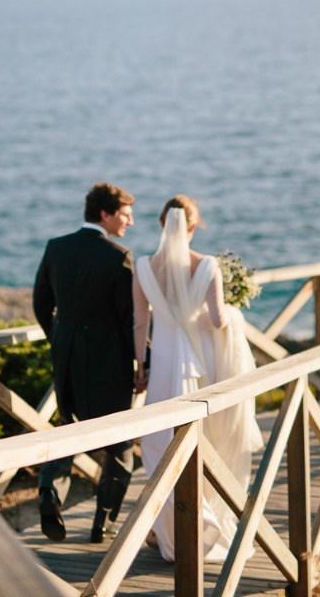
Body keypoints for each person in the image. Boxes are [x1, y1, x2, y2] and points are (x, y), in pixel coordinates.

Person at [133, 194, 263, 563]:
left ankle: (171, 532)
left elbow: (141, 322)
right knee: (207, 441)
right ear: (192, 226)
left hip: (163, 365)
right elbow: (220, 319)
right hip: (200, 364)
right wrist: (235, 312)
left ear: (162, 225)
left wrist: (140, 366)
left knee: (160, 445)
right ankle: (205, 526)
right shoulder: (206, 265)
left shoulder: (143, 266)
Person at [33, 182, 136, 544]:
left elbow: (41, 304)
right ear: (105, 215)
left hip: (67, 358)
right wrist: (140, 365)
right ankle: (102, 523)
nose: (130, 222)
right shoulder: (118, 256)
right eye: (125, 214)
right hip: (111, 362)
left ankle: (49, 492)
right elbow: (129, 321)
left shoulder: (56, 248)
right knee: (121, 447)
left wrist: (59, 339)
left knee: (67, 431)